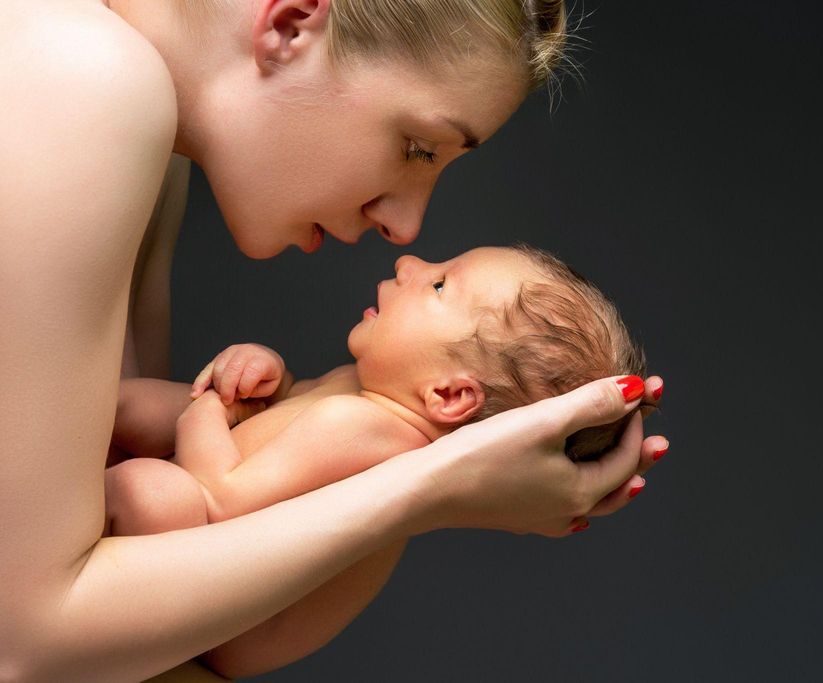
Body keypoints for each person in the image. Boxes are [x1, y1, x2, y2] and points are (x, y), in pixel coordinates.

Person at [0, 1, 667, 681]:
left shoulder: (143, 136)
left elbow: (117, 628)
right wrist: (436, 485)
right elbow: (27, 645)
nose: (406, 229)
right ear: (289, 26)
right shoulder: (93, 78)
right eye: (417, 147)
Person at [105, 245, 652, 677]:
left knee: (153, 489)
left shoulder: (370, 433)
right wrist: (265, 379)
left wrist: (202, 413)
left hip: (219, 624)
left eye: (439, 284)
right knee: (127, 405)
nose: (409, 264)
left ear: (449, 395)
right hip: (207, 538)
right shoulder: (361, 397)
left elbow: (221, 500)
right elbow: (279, 425)